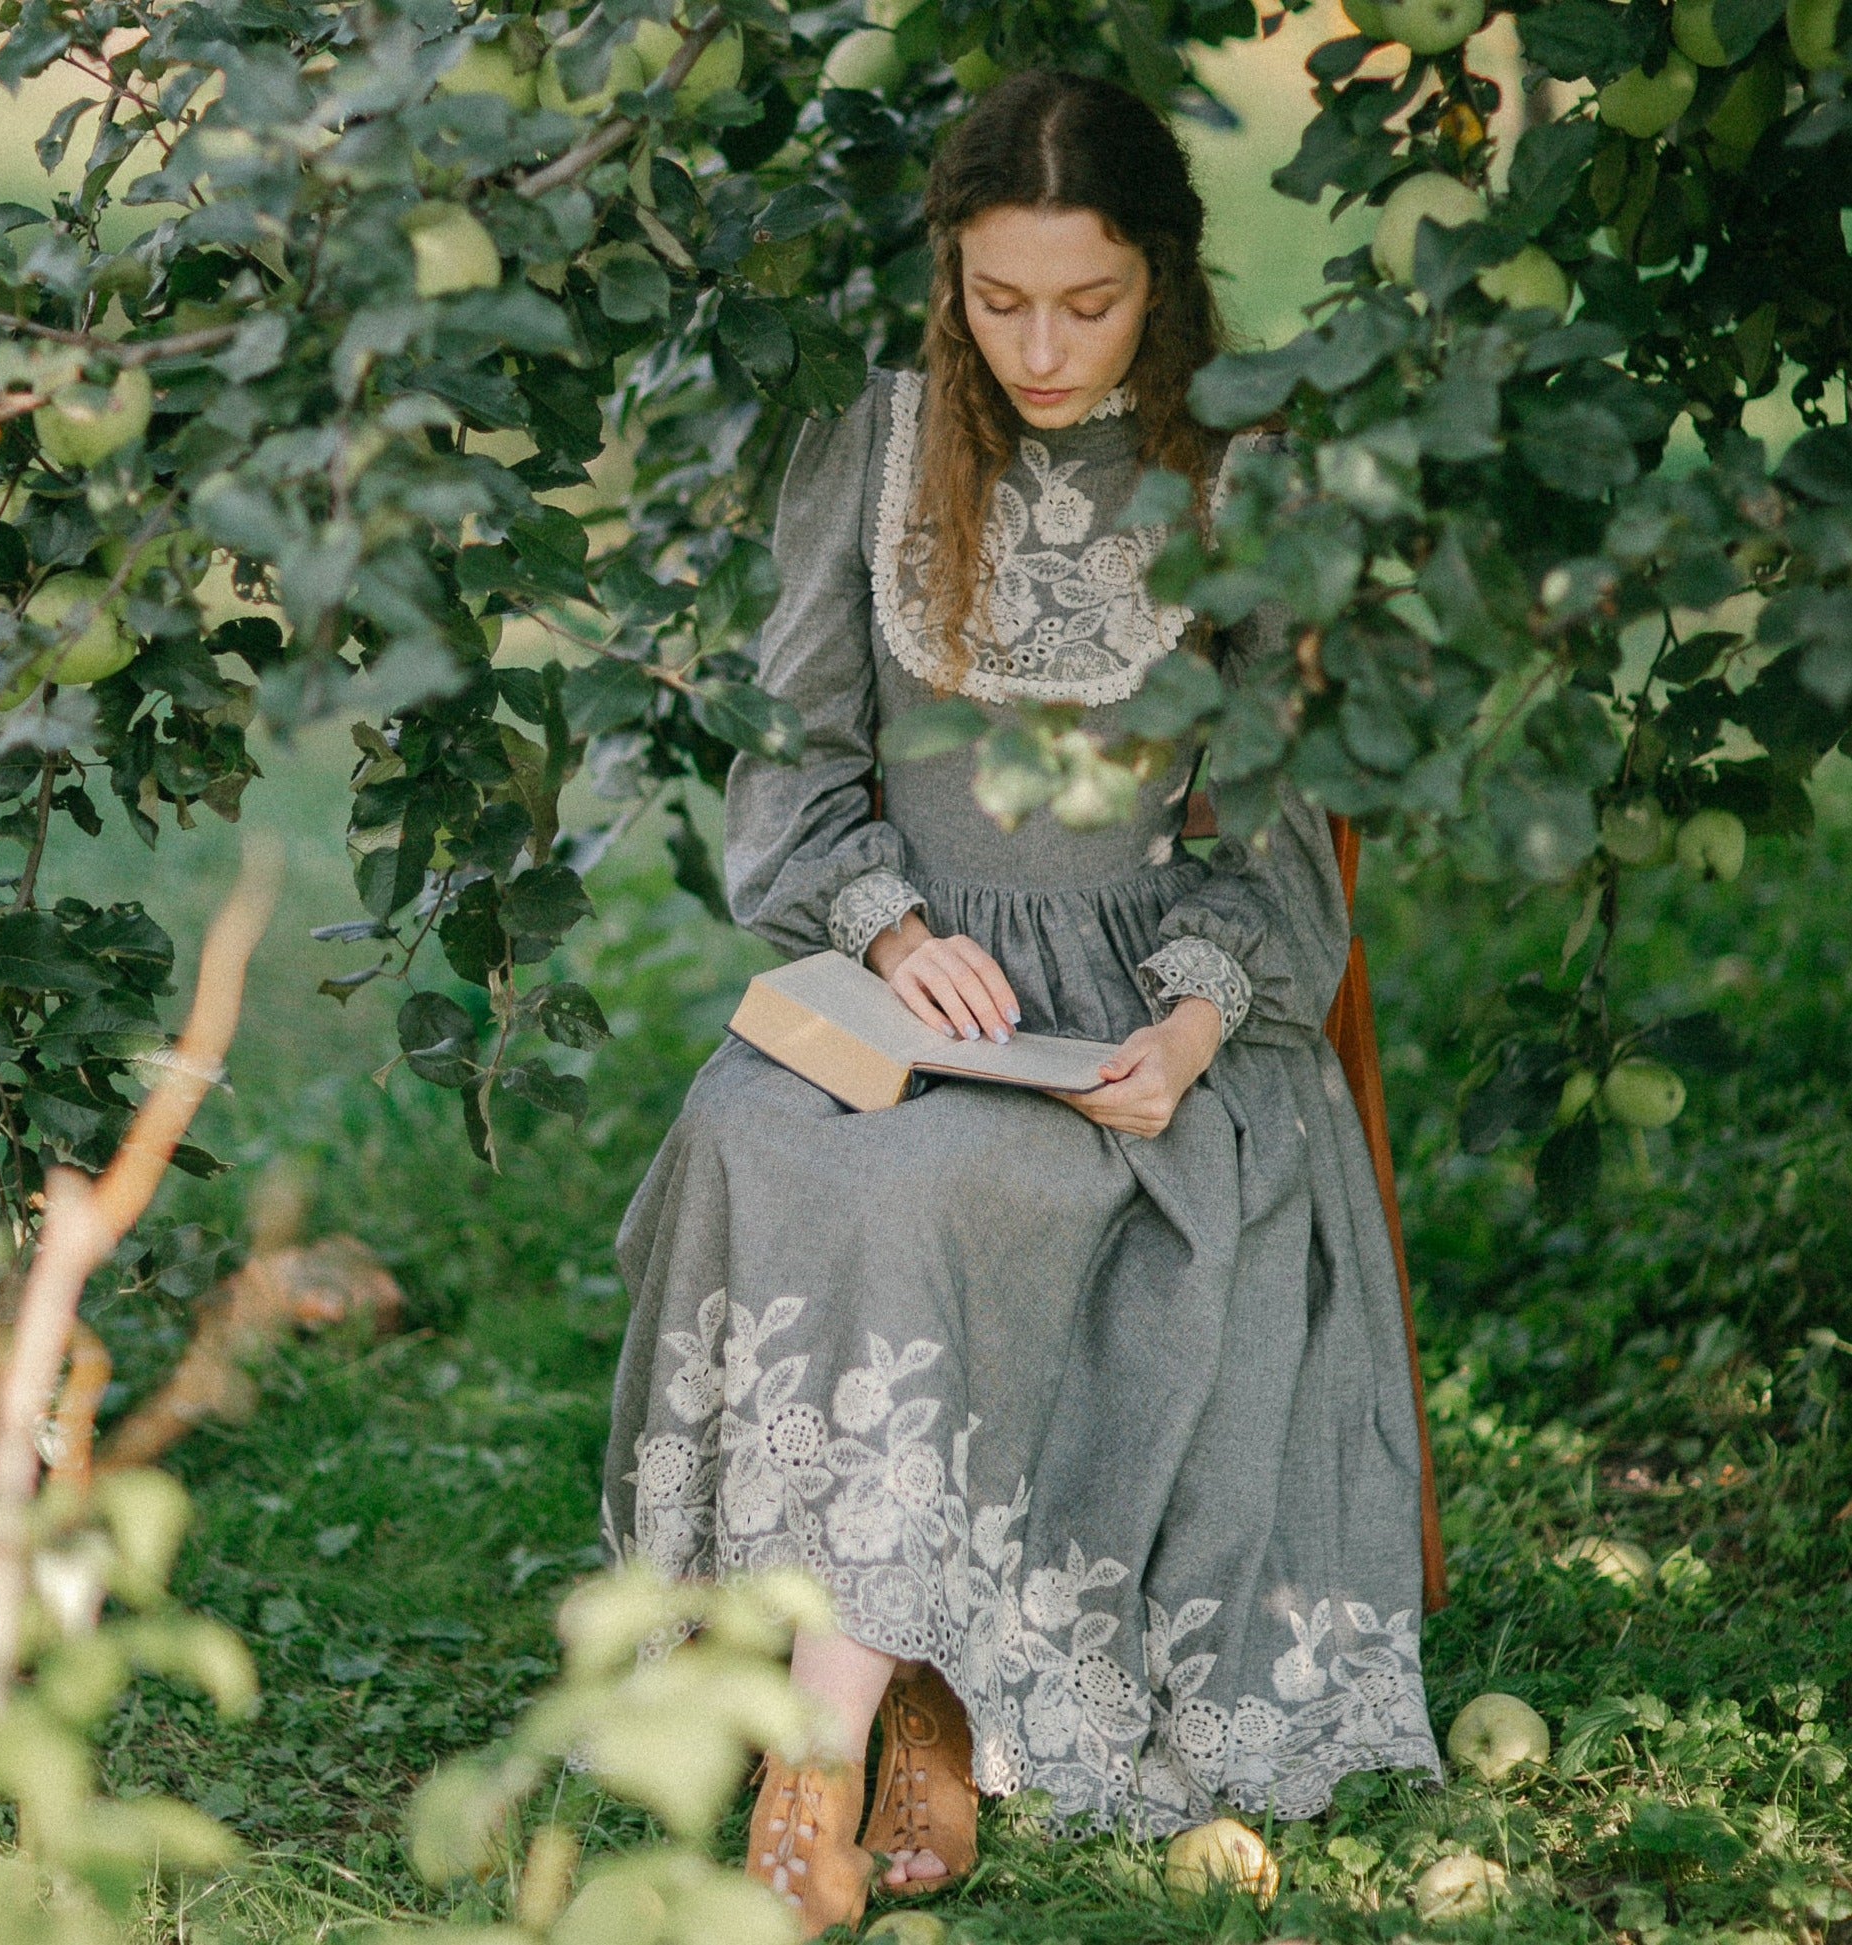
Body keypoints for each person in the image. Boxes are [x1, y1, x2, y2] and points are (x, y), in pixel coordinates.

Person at [601, 67, 1441, 1938]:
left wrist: (1201, 1021)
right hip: (906, 980)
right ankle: (906, 1701)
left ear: (1167, 281)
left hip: (1137, 1017)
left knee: (944, 1193)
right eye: (999, 301)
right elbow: (790, 761)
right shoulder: (877, 444)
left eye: (1091, 302)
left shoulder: (1242, 468)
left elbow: (1285, 833)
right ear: (945, 282)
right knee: (755, 1134)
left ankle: (822, 1750)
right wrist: (891, 930)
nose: (1043, 347)